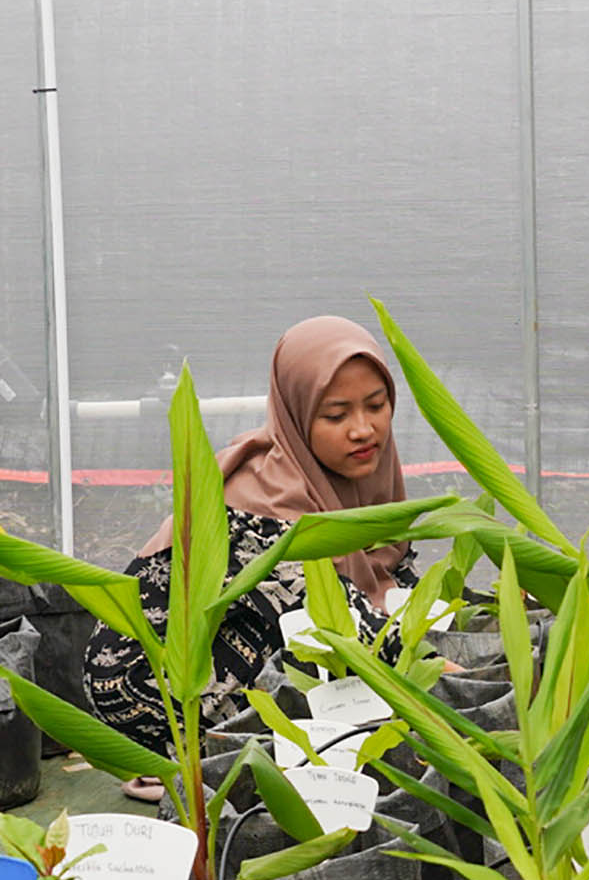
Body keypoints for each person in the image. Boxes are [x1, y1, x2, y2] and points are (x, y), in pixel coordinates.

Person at [84, 315, 418, 799]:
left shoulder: (367, 477)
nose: (362, 430)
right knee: (305, 640)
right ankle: (191, 765)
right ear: (296, 413)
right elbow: (352, 630)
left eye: (376, 406)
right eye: (335, 415)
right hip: (147, 688)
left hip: (220, 670)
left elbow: (400, 589)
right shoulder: (265, 498)